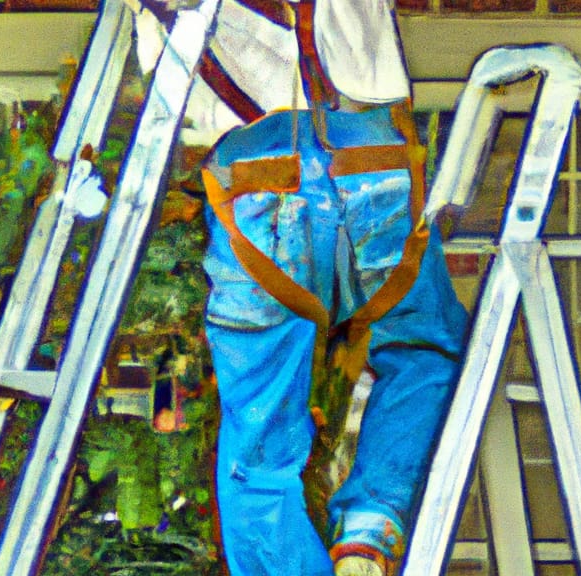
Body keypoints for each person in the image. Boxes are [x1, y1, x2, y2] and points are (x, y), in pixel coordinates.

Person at [133, 0, 469, 574]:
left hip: (252, 192)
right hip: (370, 162)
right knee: (421, 354)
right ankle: (369, 528)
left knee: (259, 429)